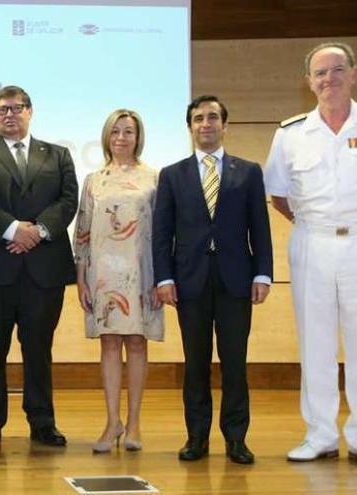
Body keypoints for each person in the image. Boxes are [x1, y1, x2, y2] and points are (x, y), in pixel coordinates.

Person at [152, 95, 272, 465]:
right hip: (190, 282)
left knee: (235, 362)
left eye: (213, 117)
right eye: (199, 118)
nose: (206, 124)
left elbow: (260, 226)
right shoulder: (172, 174)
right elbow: (162, 233)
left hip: (237, 280)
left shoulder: (248, 171)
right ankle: (197, 437)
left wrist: (264, 272)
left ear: (225, 124)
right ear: (189, 127)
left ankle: (237, 439)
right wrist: (164, 278)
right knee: (196, 363)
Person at [0, 86, 76, 448]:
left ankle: (43, 422)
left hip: (43, 272)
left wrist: (38, 231)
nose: (9, 115)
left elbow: (68, 200)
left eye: (16, 108)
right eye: (1, 110)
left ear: (30, 111)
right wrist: (14, 229)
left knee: (39, 349)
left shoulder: (57, 154)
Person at [264, 41, 357, 463]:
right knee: (315, 343)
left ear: (352, 73)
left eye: (337, 70)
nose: (328, 79)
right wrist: (314, 227)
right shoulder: (291, 134)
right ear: (308, 82)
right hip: (312, 243)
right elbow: (278, 195)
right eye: (320, 73)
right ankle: (320, 434)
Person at [74, 109, 163, 453]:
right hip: (102, 274)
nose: (122, 138)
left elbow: (163, 232)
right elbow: (82, 231)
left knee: (138, 344)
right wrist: (81, 276)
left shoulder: (154, 178)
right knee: (109, 343)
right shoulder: (94, 180)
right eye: (116, 132)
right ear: (106, 137)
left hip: (143, 272)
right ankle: (113, 422)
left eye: (129, 132)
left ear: (138, 137)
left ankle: (135, 421)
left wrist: (162, 279)